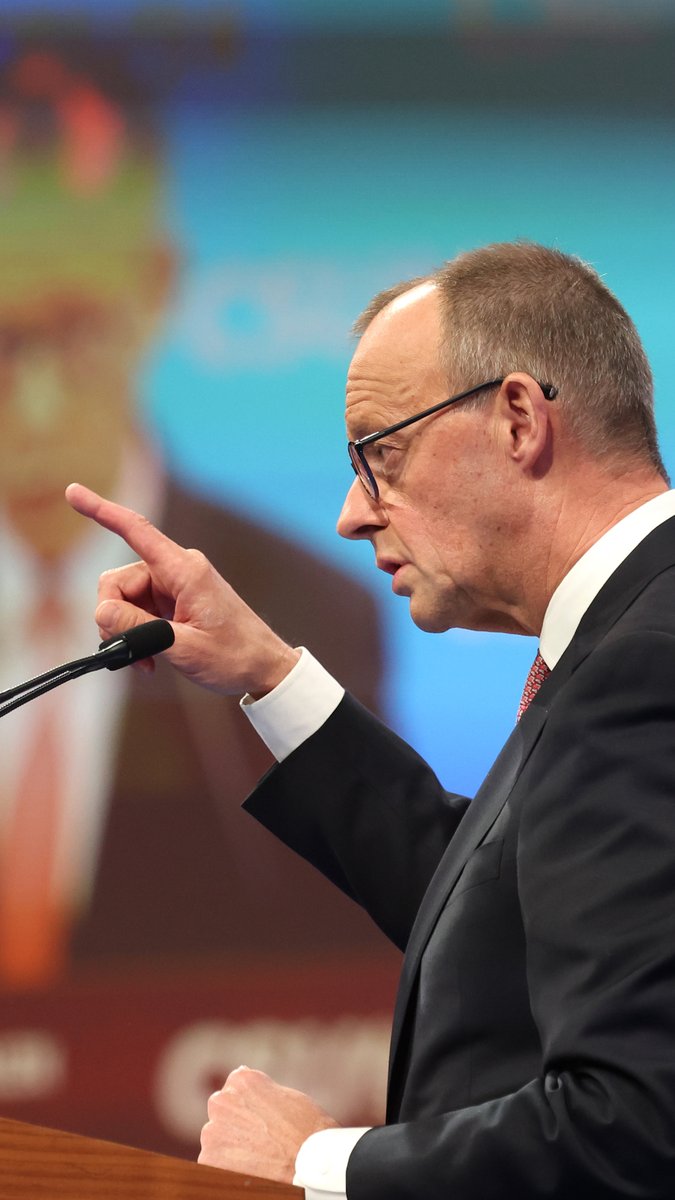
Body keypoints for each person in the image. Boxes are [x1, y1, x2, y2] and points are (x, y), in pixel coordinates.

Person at [66, 240, 675, 1198]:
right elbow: (502, 913)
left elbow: (634, 1126)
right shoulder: (630, 638)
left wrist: (313, 1163)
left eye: (379, 453)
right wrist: (268, 676)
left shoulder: (644, 668)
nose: (352, 514)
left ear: (518, 420)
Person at [0, 46, 389, 993]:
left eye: (73, 326)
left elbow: (341, 972)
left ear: (156, 287)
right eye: (3, 337)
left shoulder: (307, 616)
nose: (36, 398)